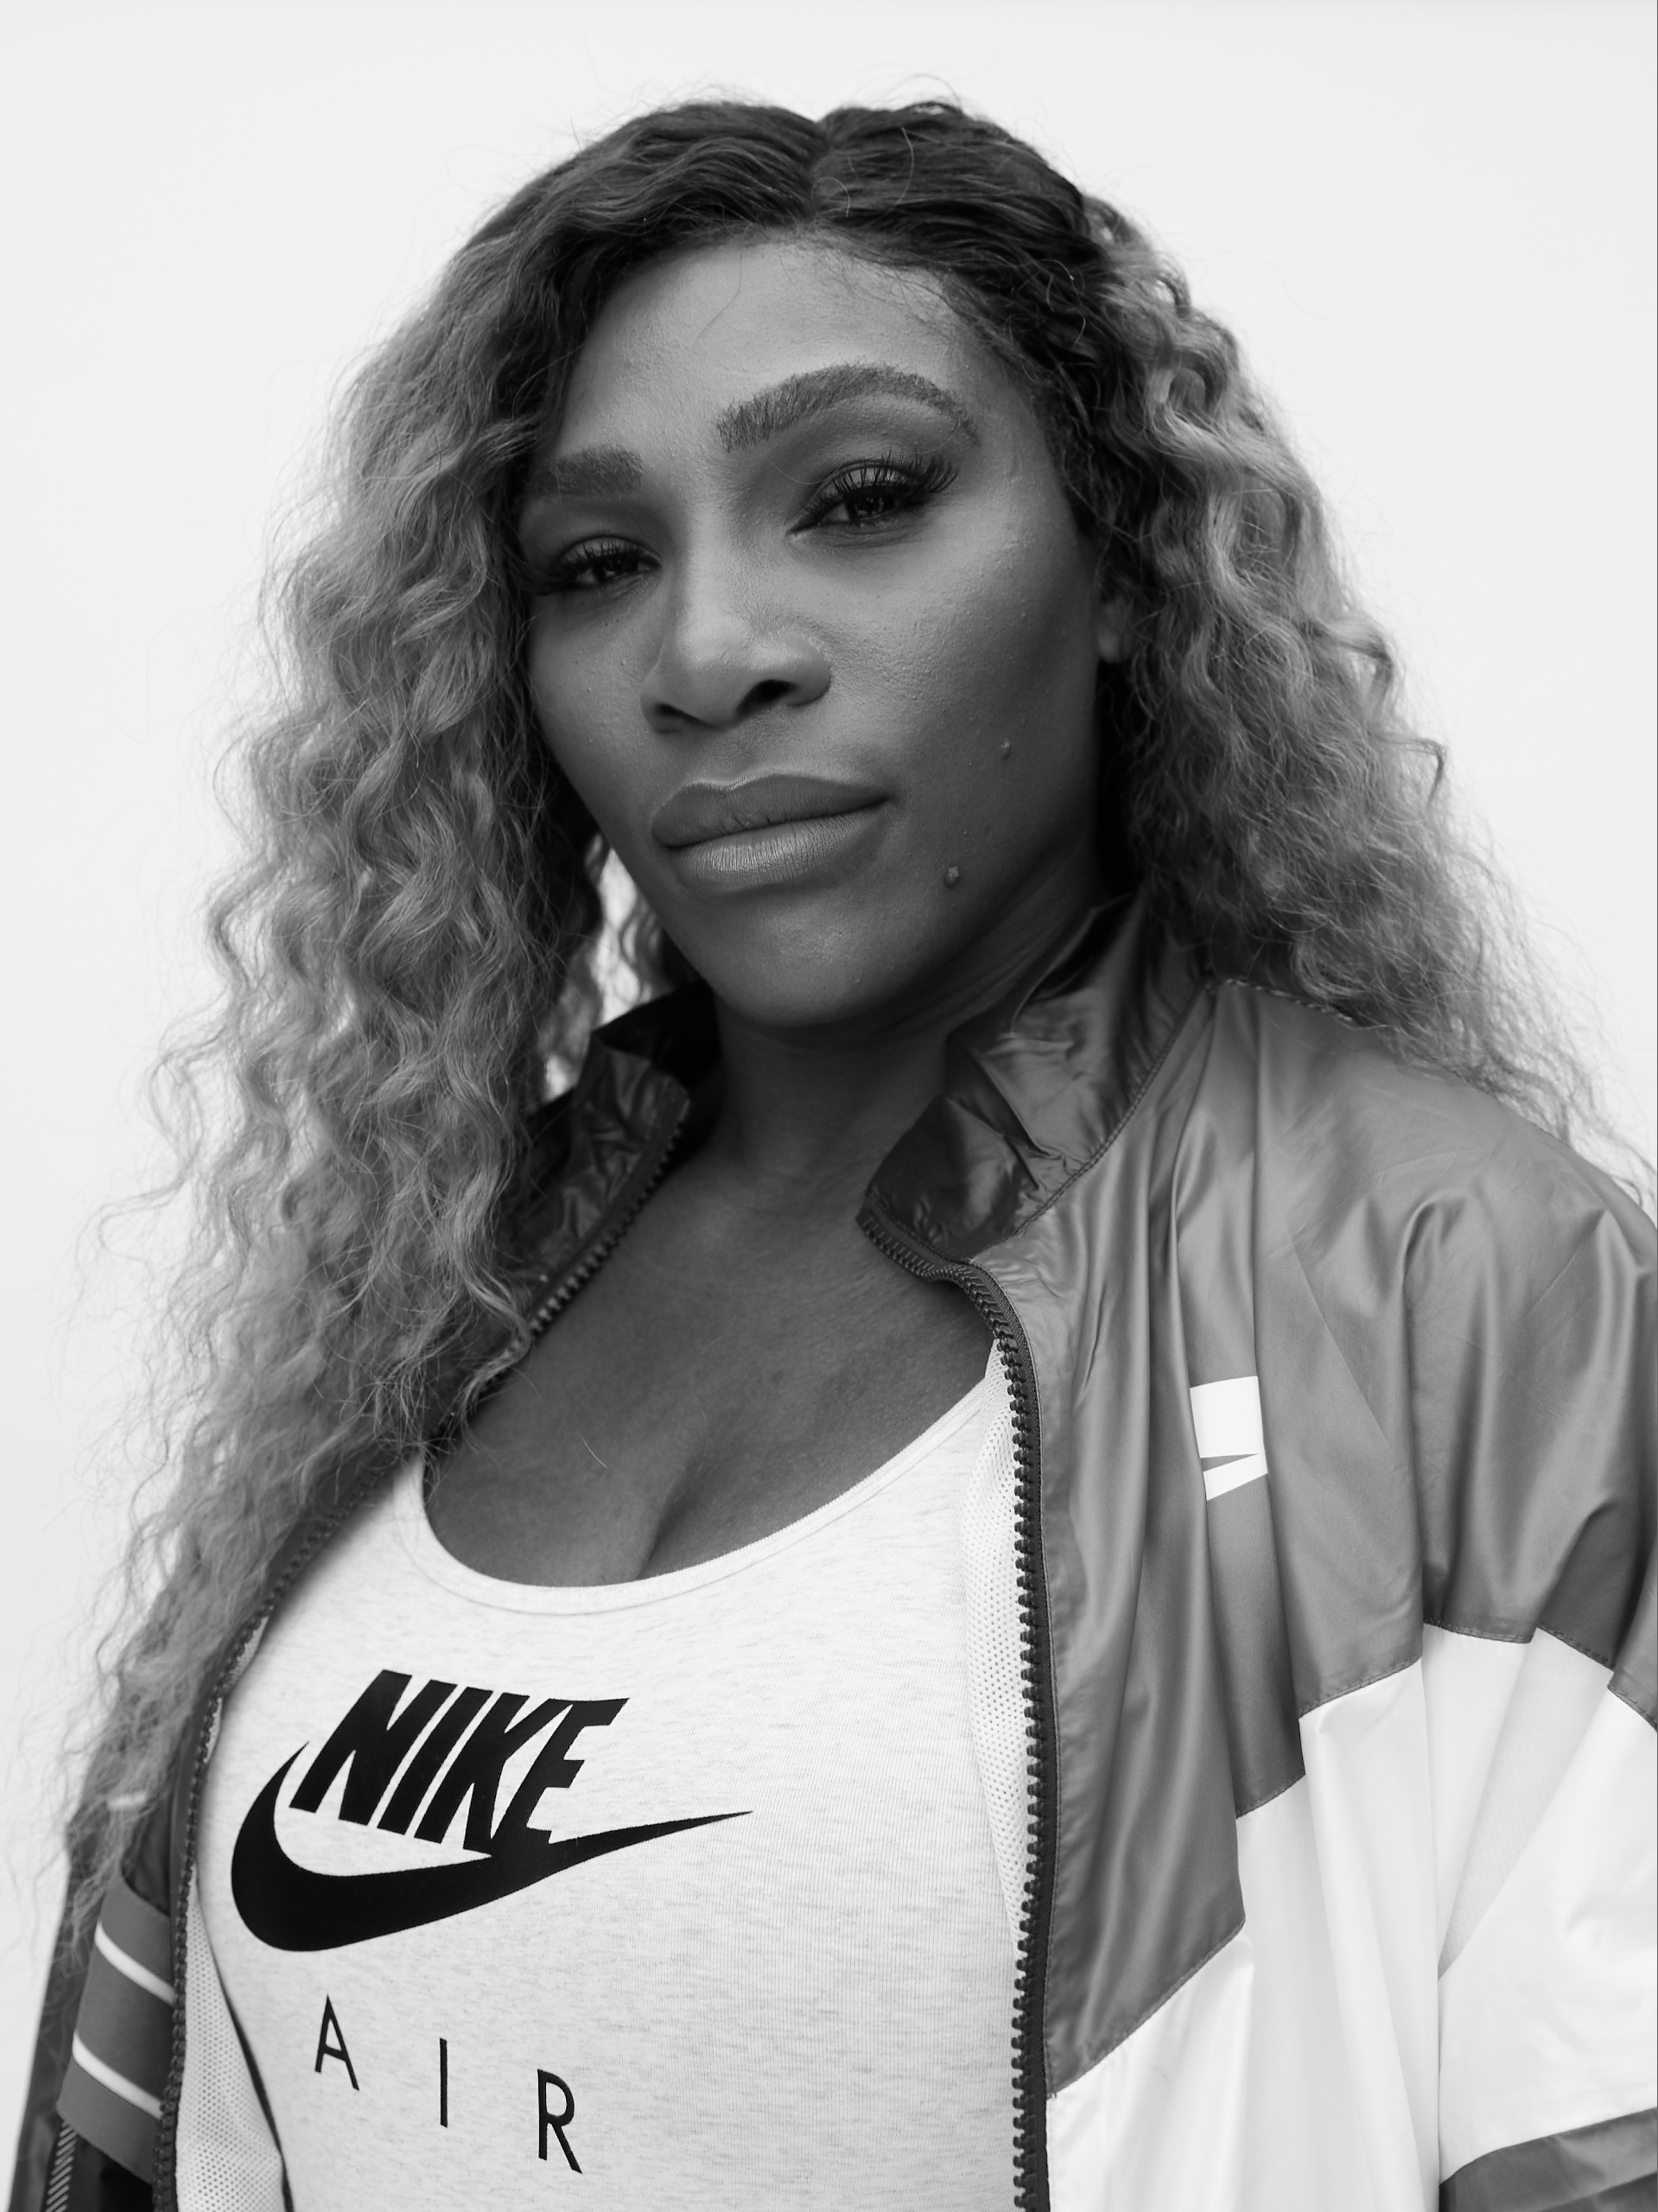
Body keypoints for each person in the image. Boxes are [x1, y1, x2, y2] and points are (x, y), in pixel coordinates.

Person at [10, 98, 1654, 2212]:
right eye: (597, 564)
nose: (708, 653)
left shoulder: (1458, 1285)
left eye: (861, 497)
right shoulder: (428, 1284)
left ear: (1127, 566)